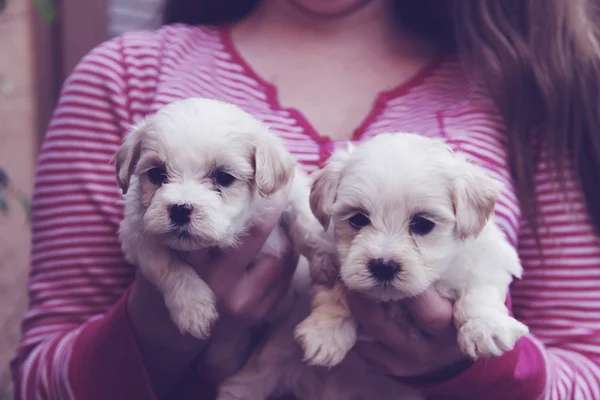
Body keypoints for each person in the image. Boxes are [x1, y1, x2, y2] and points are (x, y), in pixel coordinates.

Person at [10, 0, 600, 399]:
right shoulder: (124, 77)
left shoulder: (530, 88)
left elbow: (588, 373)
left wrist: (472, 365)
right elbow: (36, 380)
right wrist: (158, 330)